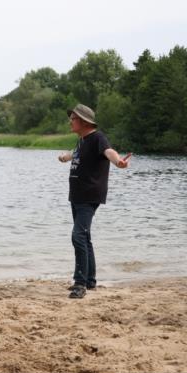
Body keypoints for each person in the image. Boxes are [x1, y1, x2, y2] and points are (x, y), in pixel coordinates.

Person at [58, 104, 131, 298]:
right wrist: (65, 157)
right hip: (77, 196)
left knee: (78, 236)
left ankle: (80, 283)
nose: (70, 122)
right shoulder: (82, 141)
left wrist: (118, 162)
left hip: (89, 196)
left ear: (83, 121)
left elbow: (109, 152)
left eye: (73, 119)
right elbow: (76, 154)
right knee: (84, 236)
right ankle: (90, 280)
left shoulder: (98, 138)